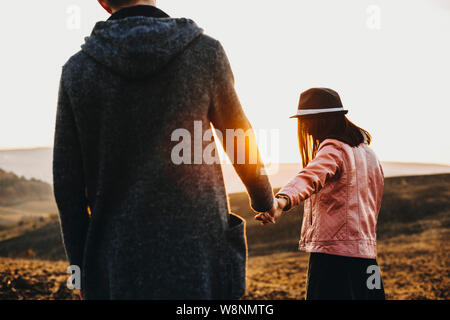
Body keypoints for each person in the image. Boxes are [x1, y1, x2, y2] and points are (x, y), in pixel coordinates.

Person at [53, 0, 276, 299]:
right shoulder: (205, 52)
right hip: (199, 254)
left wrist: (80, 269)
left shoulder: (77, 70)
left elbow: (67, 185)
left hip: (117, 262)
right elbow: (237, 136)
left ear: (103, 2)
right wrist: (263, 198)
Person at [256, 88, 386, 300]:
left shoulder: (333, 149)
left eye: (307, 121)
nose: (305, 129)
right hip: (367, 257)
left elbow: (309, 177)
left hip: (332, 257)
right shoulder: (370, 154)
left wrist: (282, 201)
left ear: (322, 120)